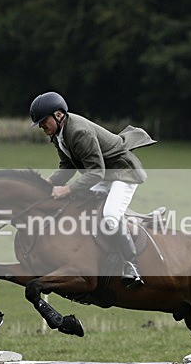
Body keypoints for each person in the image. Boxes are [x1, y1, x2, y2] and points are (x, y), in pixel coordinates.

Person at [29, 91, 156, 288]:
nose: (41, 126)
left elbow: (96, 172)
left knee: (110, 216)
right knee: (81, 207)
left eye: (43, 121)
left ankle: (132, 266)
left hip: (122, 173)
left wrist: (67, 190)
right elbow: (67, 166)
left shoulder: (79, 132)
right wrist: (47, 183)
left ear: (59, 115)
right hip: (104, 173)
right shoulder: (57, 135)